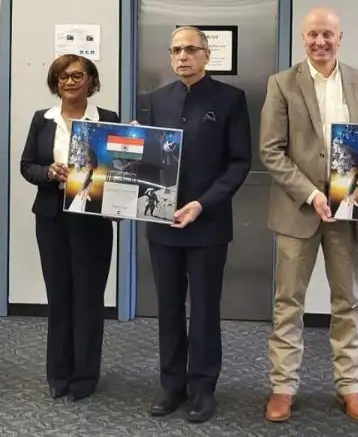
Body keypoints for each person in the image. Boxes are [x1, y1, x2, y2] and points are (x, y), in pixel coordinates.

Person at [259, 6, 358, 423]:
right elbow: (271, 151)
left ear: (340, 37)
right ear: (303, 38)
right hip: (298, 210)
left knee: (347, 300)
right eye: (313, 34)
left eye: (328, 34)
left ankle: (351, 385)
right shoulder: (281, 84)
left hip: (346, 212)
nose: (320, 42)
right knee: (288, 302)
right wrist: (311, 194)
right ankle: (282, 386)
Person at [144, 26, 251, 423]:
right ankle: (172, 385)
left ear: (207, 54)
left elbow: (239, 162)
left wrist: (202, 204)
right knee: (168, 308)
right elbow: (149, 158)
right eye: (175, 50)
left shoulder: (230, 99)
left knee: (204, 309)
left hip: (208, 223)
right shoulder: (156, 99)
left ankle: (203, 388)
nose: (182, 56)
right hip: (162, 223)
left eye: (190, 49)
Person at [19, 54, 118, 401]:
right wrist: (49, 172)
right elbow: (27, 165)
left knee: (89, 298)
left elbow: (118, 170)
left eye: (78, 75)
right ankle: (58, 374)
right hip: (52, 219)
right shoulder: (41, 120)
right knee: (59, 297)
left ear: (91, 81)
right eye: (62, 76)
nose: (70, 82)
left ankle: (85, 376)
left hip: (92, 220)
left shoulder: (108, 120)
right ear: (55, 83)